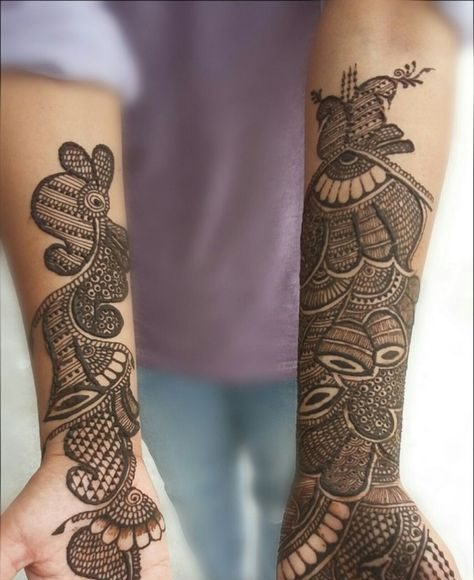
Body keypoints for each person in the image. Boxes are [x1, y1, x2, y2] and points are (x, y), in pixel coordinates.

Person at [0, 2, 470, 580]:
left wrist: (357, 479)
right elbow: (45, 35)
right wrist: (92, 454)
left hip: (317, 340)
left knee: (280, 502)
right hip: (141, 341)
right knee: (196, 499)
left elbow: (393, 19)